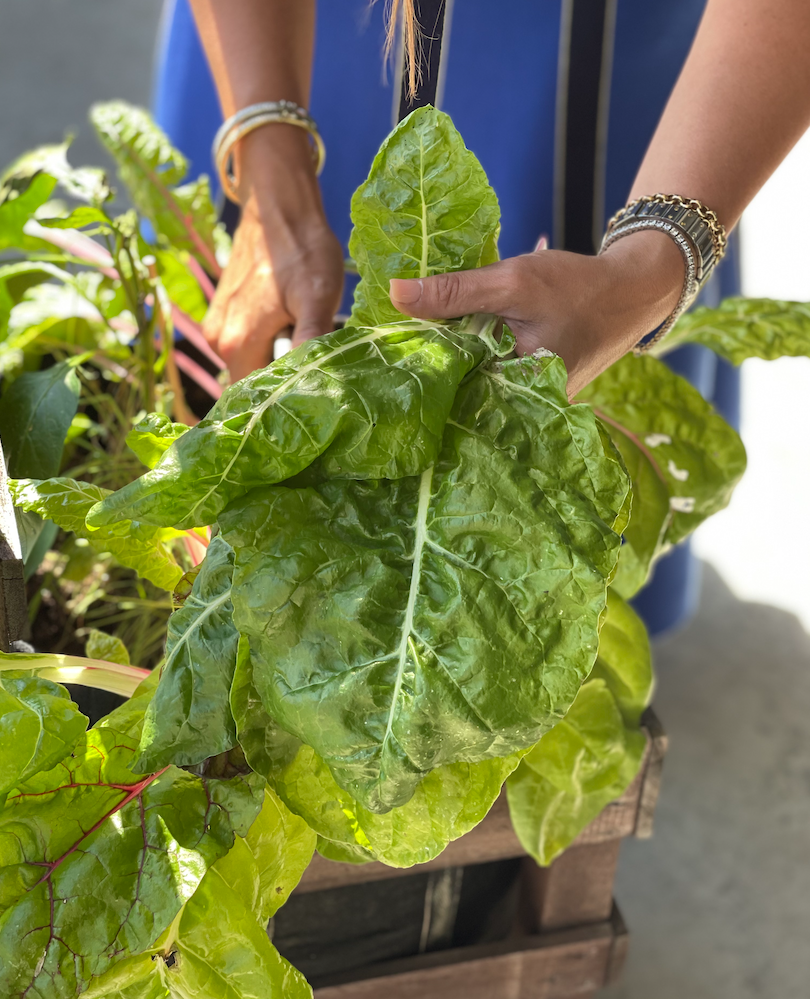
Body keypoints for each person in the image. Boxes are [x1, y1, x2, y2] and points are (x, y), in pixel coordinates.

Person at [152, 0, 810, 632]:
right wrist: (268, 166)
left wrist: (647, 269)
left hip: (597, 56)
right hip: (277, 32)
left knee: (531, 583)